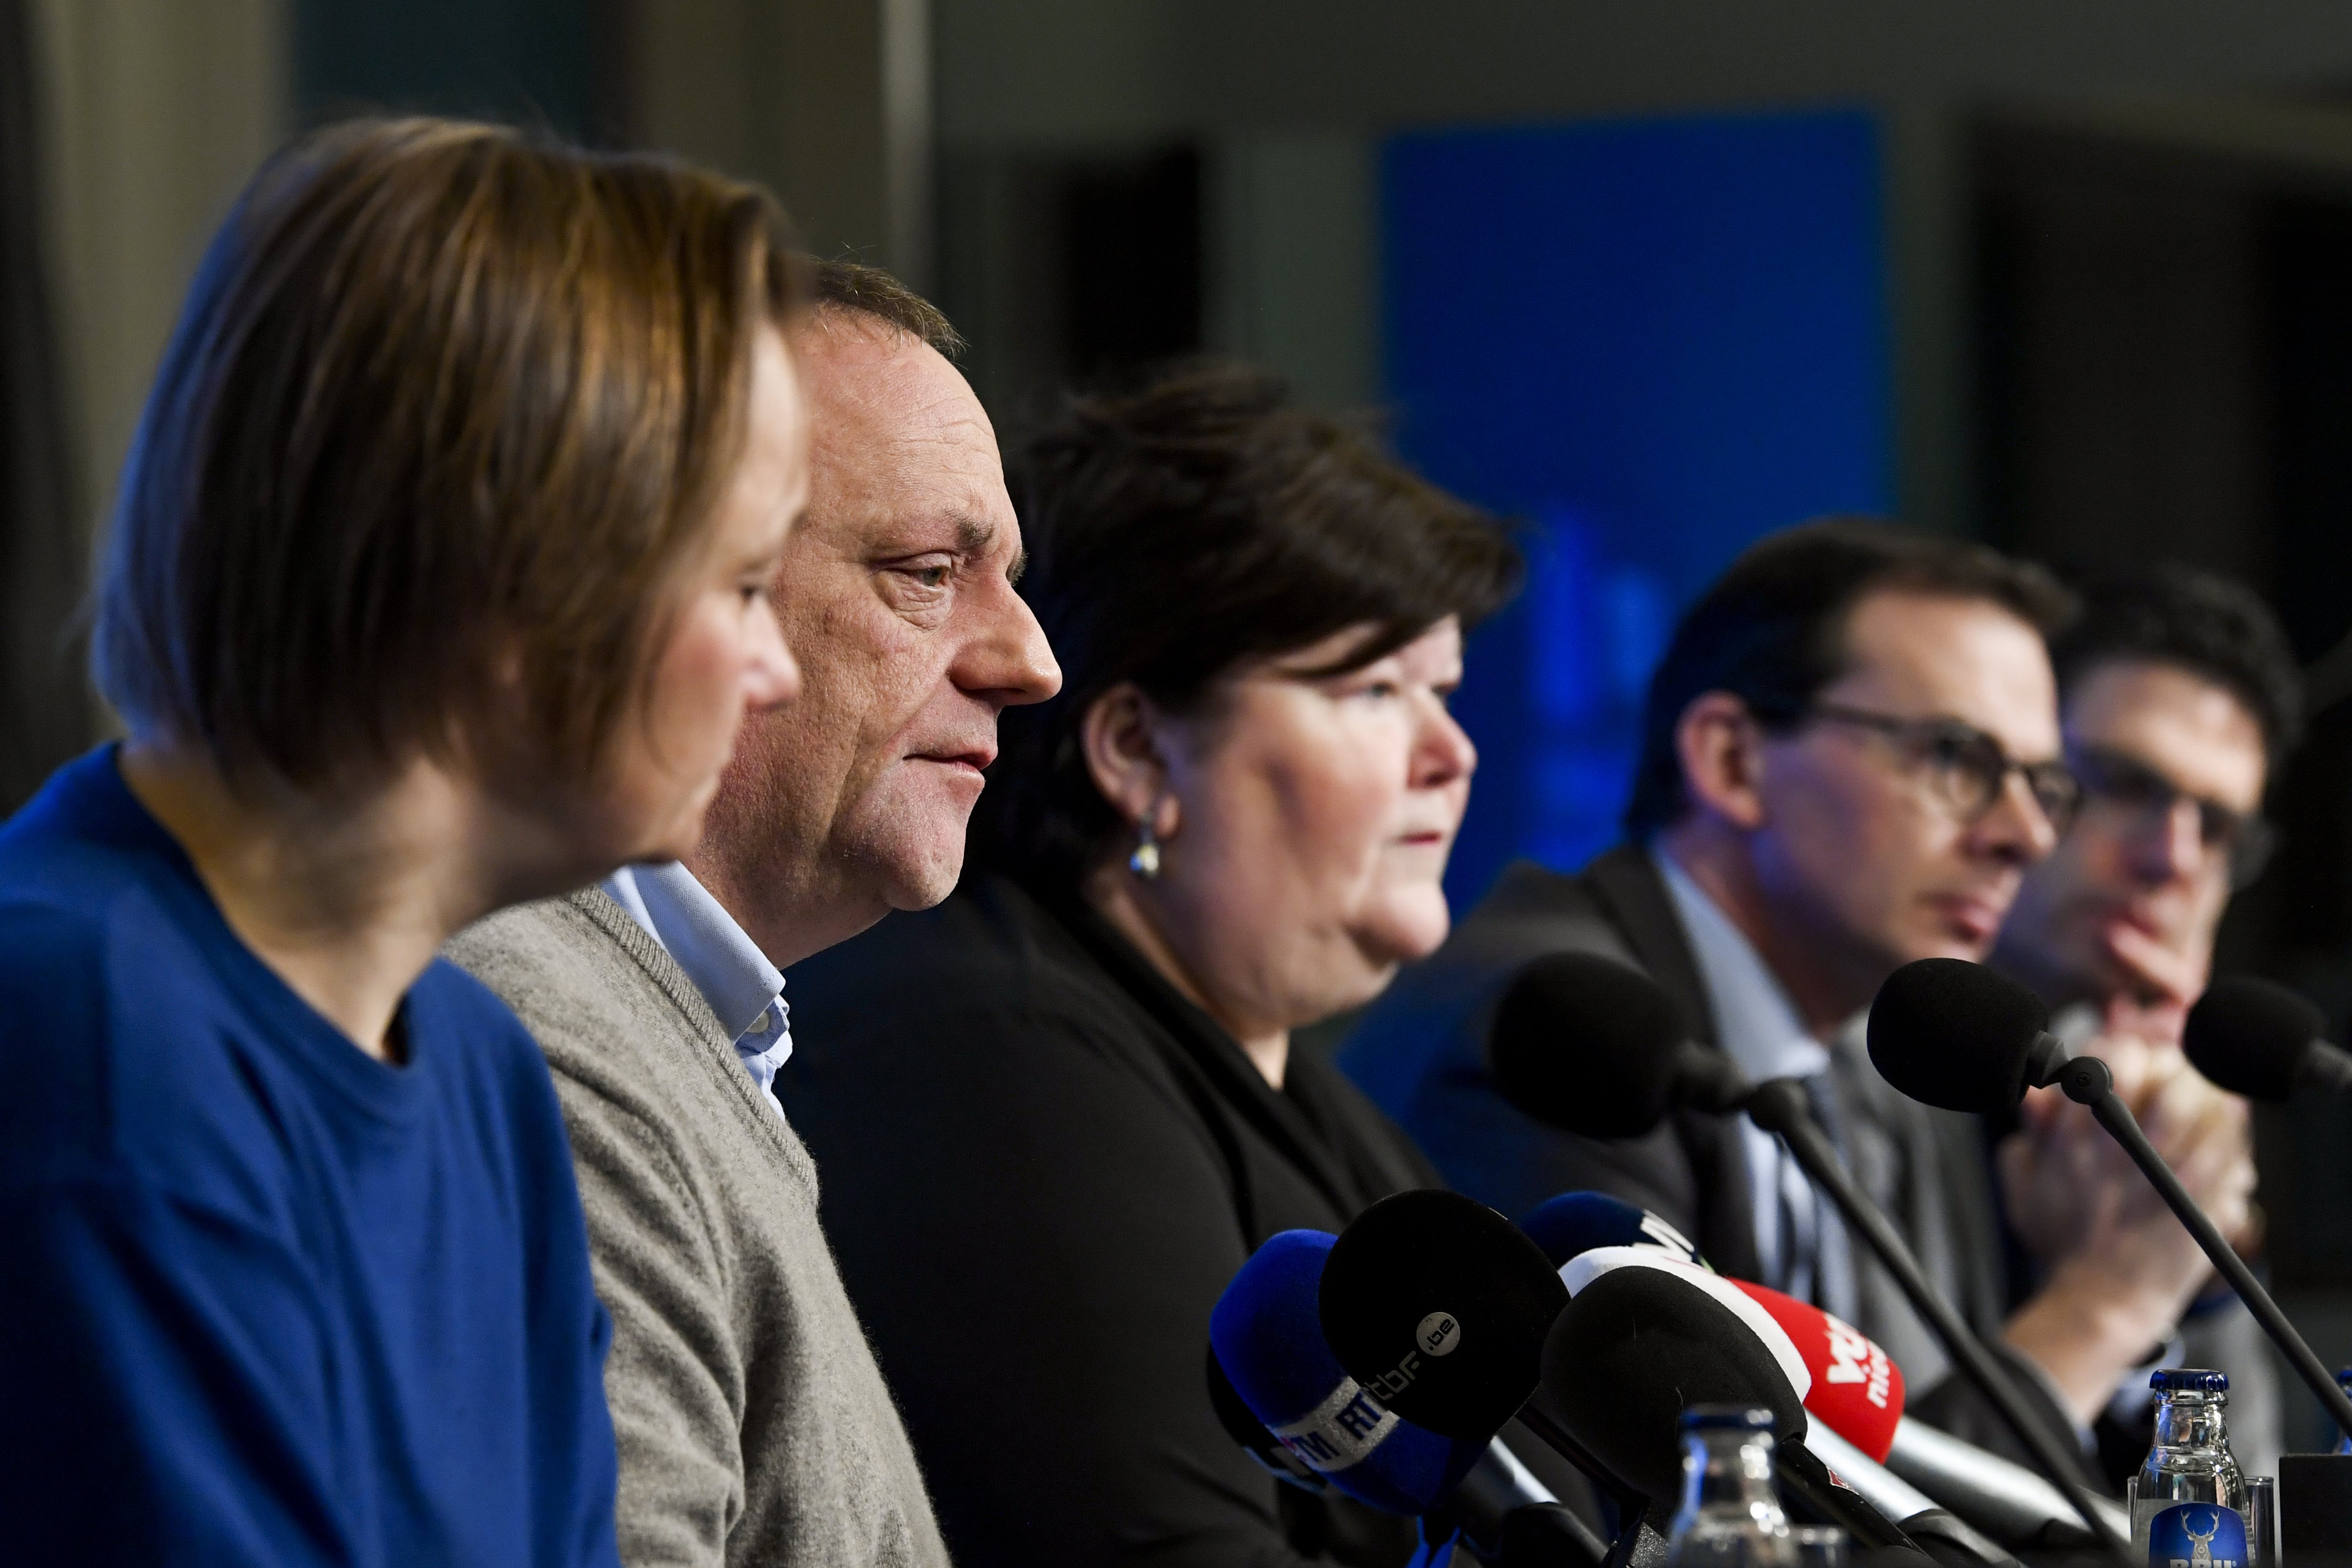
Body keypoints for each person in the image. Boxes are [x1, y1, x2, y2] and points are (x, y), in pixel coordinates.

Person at [0, 117, 806, 1565]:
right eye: (745, 583)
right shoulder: (96, 1049)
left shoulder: (482, 1070)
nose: (776, 669)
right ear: (515, 578)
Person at [775, 364, 1522, 1567]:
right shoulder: (993, 1051)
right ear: (1134, 747)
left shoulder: (1308, 1098)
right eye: (1374, 688)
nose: (1452, 753)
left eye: (1442, 690)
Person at [447, 261, 1059, 1568]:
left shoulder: (666, 1027)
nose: (1030, 661)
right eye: (928, 571)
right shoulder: (531, 1049)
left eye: (1008, 577)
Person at [1343, 520, 2106, 1469]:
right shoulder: (1561, 1036)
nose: (2027, 835)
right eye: (1957, 758)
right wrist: (2101, 1305)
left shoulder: (1876, 1048)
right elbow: (1669, 1502)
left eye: (2043, 784)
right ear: (1733, 761)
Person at [1988, 566, 2297, 1478]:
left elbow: (2233, 1523)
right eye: (2126, 783)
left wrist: (2193, 1221)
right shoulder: (1857, 1053)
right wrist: (2103, 1297)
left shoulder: (2138, 1087)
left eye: (2218, 828)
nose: (2174, 858)